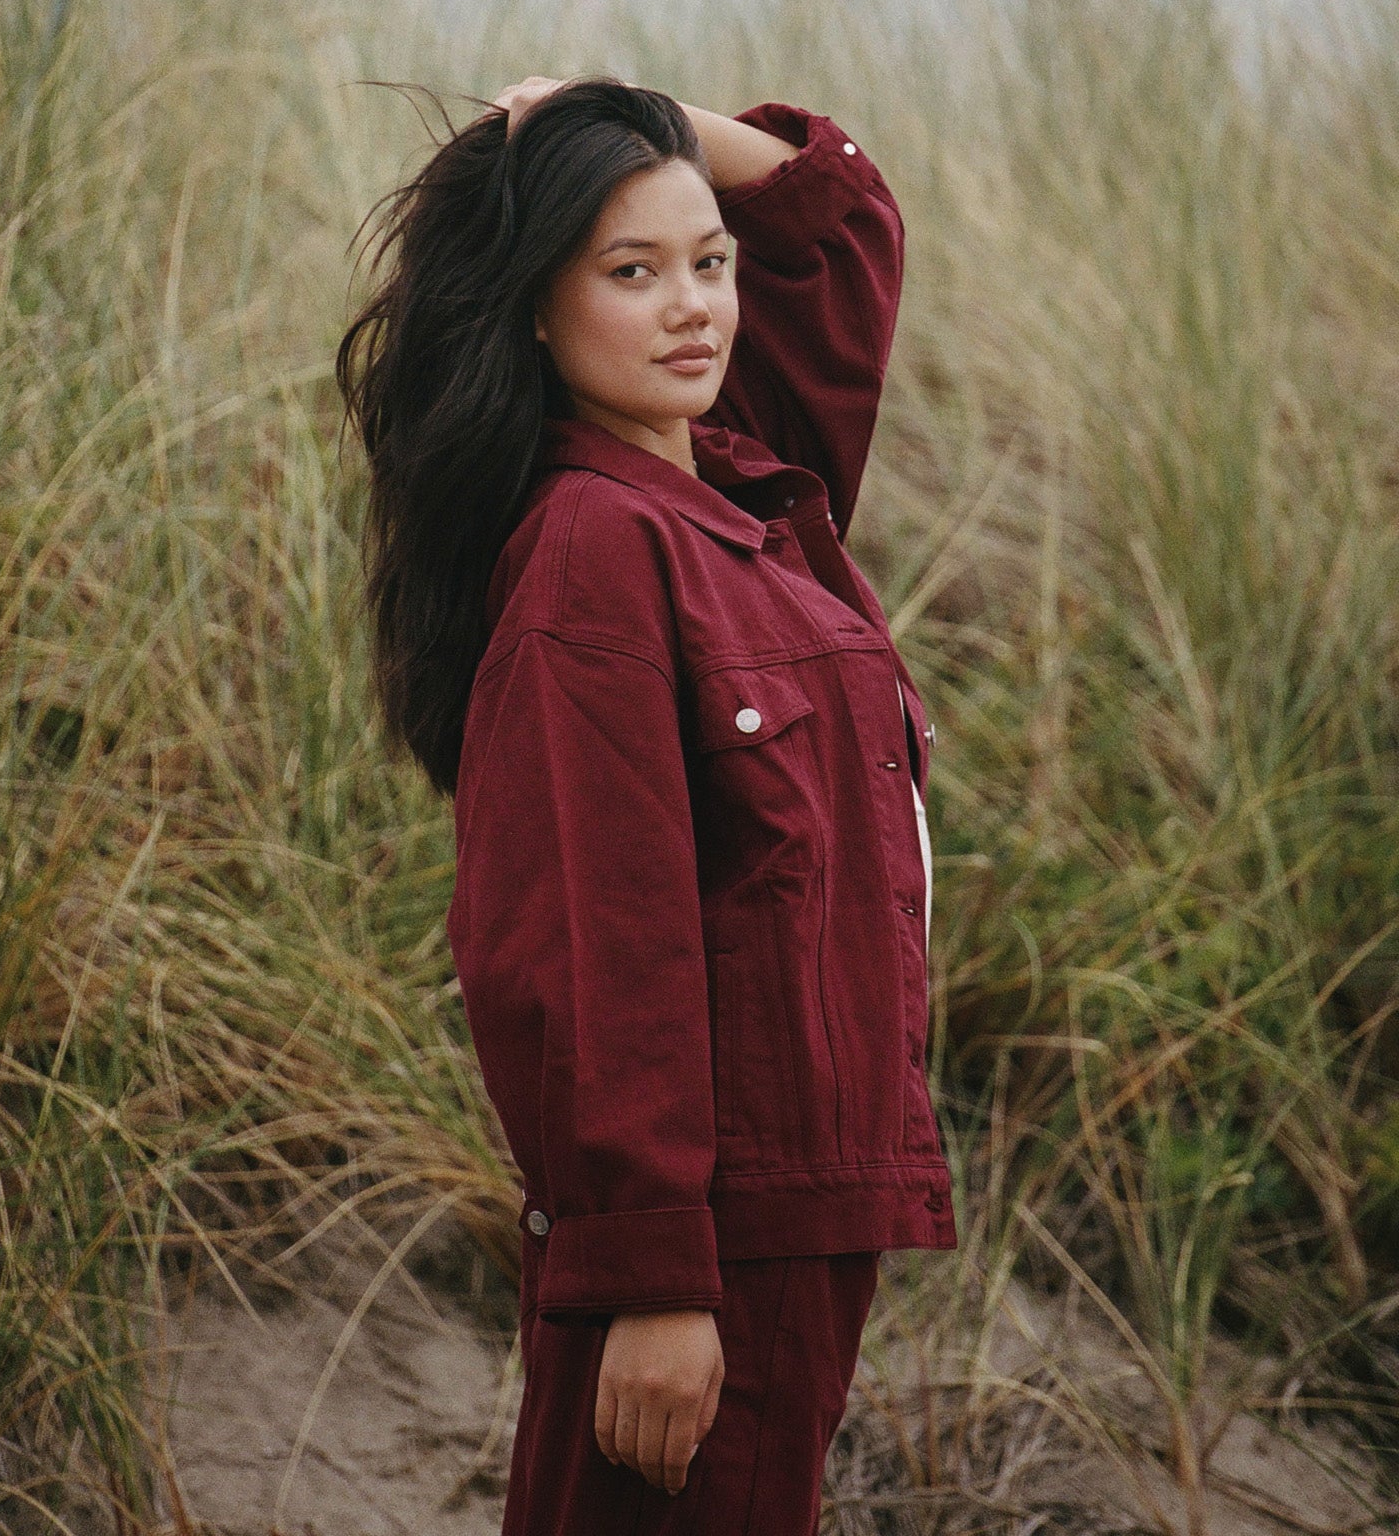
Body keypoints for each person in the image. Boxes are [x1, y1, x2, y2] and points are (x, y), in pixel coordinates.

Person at [335, 76, 955, 1535]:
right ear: (534, 315)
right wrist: (655, 1276)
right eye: (631, 273)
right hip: (715, 1237)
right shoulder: (595, 552)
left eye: (709, 262)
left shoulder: (741, 485)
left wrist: (641, 108)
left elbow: (839, 229)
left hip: (802, 1209)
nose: (694, 309)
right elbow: (594, 943)